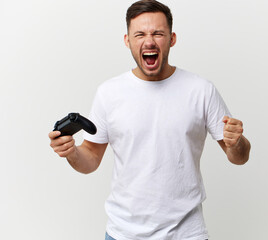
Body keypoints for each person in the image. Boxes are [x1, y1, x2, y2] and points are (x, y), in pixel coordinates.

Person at [49, 0, 251, 239]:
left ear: (172, 39)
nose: (149, 41)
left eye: (158, 33)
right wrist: (71, 152)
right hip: (122, 233)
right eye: (140, 34)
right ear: (128, 41)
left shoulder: (201, 90)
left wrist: (237, 142)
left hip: (187, 233)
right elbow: (91, 159)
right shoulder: (109, 93)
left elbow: (239, 157)